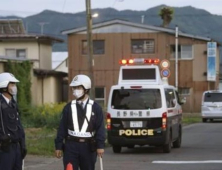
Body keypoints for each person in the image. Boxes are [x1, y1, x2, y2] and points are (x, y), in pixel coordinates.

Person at [55, 74, 106, 170]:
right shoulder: (68, 107)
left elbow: (100, 128)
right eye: (73, 88)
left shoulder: (96, 108)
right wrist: (58, 146)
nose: (75, 90)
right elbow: (62, 127)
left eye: (78, 87)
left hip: (88, 147)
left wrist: (100, 145)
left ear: (86, 88)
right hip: (71, 146)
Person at [0, 72, 27, 170]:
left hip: (16, 148)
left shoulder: (13, 104)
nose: (14, 87)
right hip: (4, 149)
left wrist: (22, 145)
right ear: (4, 86)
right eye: (12, 84)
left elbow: (19, 126)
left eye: (14, 84)